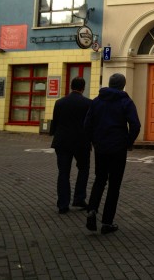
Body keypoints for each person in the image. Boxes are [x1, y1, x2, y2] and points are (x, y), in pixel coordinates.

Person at [84, 73, 140, 234]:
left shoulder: (97, 101)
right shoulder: (125, 101)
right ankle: (107, 222)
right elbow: (135, 125)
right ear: (123, 85)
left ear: (109, 83)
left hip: (101, 147)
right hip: (118, 148)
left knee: (99, 180)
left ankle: (92, 210)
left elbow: (87, 124)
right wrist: (128, 142)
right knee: (114, 185)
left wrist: (94, 141)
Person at [50, 76, 92, 214]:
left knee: (63, 173)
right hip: (81, 142)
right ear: (83, 88)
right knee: (84, 169)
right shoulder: (88, 103)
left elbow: (54, 123)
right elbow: (91, 124)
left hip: (62, 142)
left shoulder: (60, 102)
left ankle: (63, 204)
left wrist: (54, 134)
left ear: (71, 87)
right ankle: (79, 198)